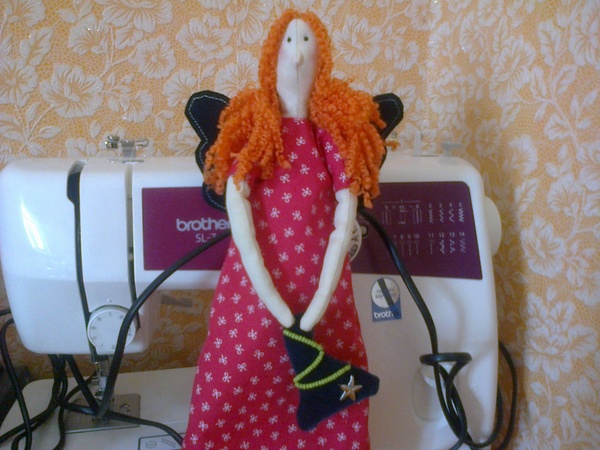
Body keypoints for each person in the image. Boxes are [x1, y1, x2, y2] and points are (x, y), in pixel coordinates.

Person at [183, 9, 385, 449]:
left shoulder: (329, 137)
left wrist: (319, 300)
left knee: (329, 360)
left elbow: (345, 211)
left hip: (320, 287)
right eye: (288, 43)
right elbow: (237, 197)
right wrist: (273, 299)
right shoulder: (261, 132)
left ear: (322, 58)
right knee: (238, 363)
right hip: (254, 287)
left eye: (306, 43)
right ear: (271, 57)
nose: (296, 55)